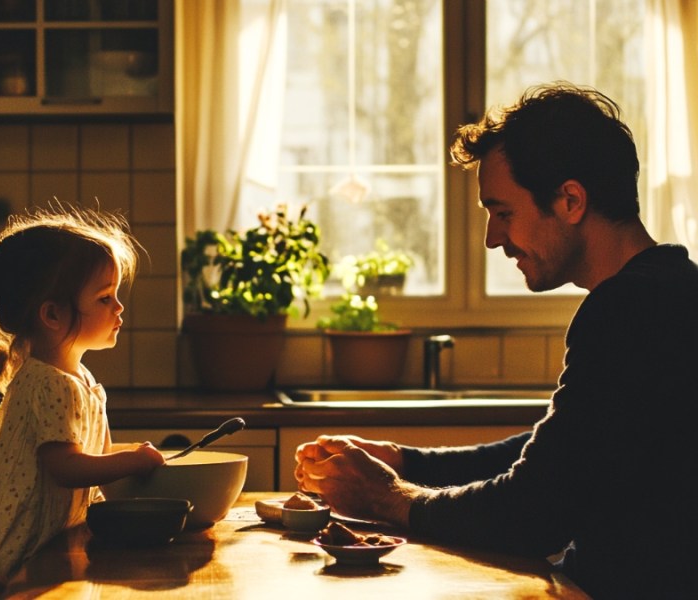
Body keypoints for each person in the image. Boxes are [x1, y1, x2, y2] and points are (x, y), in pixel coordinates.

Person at [294, 83, 698, 599]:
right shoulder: (669, 287)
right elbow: (554, 455)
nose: (491, 238)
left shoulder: (628, 310)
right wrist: (404, 461)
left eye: (502, 212)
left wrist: (389, 498)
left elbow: (534, 512)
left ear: (571, 200)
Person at [0, 206, 166, 599]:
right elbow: (66, 466)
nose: (119, 307)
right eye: (104, 297)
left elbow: (100, 455)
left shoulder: (85, 383)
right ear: (53, 314)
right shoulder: (48, 383)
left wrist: (145, 456)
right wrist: (137, 461)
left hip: (22, 558)